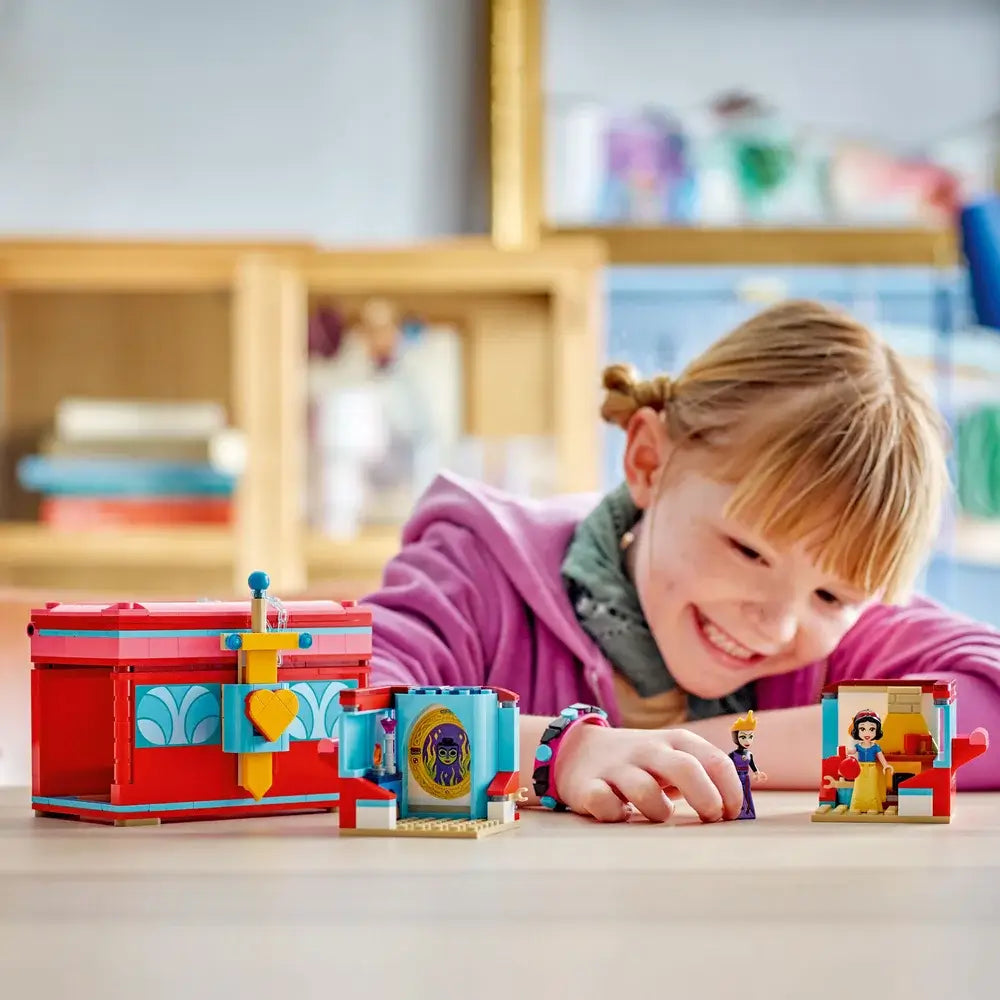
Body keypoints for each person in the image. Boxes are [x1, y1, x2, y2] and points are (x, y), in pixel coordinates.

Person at [360, 299, 1000, 824]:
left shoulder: (843, 641)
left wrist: (716, 749)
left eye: (831, 597)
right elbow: (340, 714)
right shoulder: (479, 571)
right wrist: (562, 751)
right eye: (749, 551)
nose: (776, 626)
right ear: (648, 462)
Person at [845, 709, 893, 813]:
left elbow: (881, 757)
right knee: (859, 788)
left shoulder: (876, 747)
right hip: (860, 769)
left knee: (871, 789)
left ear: (877, 730)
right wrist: (844, 751)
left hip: (872, 769)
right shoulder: (858, 746)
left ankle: (873, 806)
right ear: (857, 730)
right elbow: (851, 751)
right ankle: (857, 805)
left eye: (871, 729)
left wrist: (886, 766)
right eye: (862, 729)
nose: (867, 733)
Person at [729, 710, 766, 819]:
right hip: (735, 777)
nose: (747, 740)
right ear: (736, 738)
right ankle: (736, 812)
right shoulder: (733, 755)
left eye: (750, 737)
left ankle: (747, 812)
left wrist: (758, 773)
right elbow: (728, 767)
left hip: (745, 778)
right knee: (737, 795)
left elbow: (753, 766)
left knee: (746, 794)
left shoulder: (749, 754)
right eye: (743, 737)